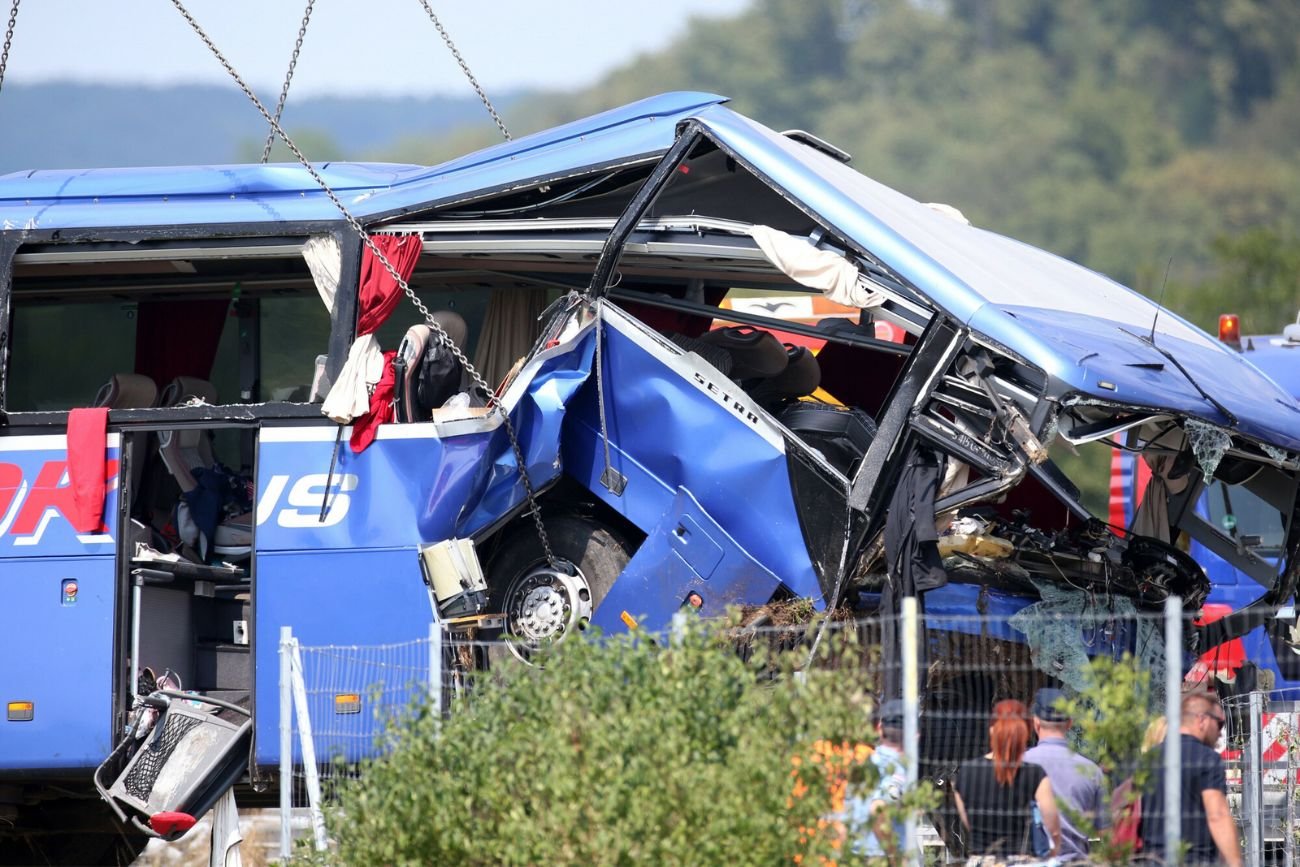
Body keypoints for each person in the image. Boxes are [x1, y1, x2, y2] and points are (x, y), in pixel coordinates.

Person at [1140, 692, 1242, 866]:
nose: (1220, 733)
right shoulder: (1207, 759)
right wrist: (1236, 863)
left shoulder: (1149, 759)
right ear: (1202, 720)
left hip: (1152, 860)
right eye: (1220, 724)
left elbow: (1124, 803)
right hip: (1194, 860)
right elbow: (1217, 815)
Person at [954, 699, 1061, 859]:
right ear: (1026, 732)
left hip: (982, 861)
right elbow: (1053, 829)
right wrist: (1052, 855)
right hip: (1023, 861)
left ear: (991, 730)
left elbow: (969, 824)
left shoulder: (965, 773)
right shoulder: (1035, 774)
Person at [1023, 687, 1106, 863]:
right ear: (1069, 723)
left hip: (1030, 862)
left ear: (1035, 723)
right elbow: (1103, 830)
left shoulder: (1018, 765)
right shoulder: (1091, 771)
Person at [845, 698, 908, 859]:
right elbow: (878, 809)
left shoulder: (852, 761)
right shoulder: (891, 764)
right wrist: (895, 857)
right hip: (878, 855)